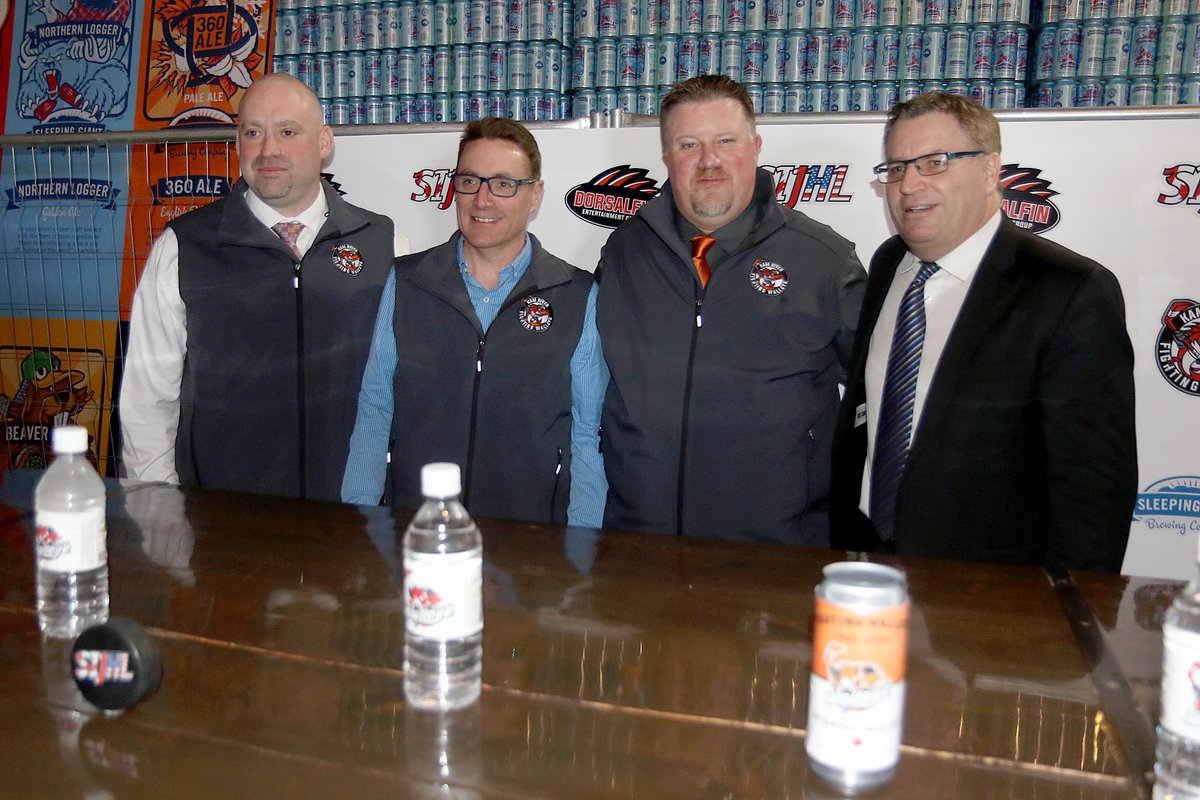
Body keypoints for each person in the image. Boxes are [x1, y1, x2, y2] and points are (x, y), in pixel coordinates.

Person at [831, 92, 1136, 572]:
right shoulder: (889, 262)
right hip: (863, 561)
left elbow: (1095, 491)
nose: (909, 185)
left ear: (991, 169)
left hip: (990, 590)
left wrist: (1072, 617)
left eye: (934, 162)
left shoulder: (1070, 292)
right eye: (895, 167)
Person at [596, 75, 866, 546]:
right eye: (688, 145)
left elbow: (877, 402)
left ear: (756, 146)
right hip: (638, 551)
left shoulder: (824, 261)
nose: (709, 161)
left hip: (773, 557)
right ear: (666, 158)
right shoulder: (624, 252)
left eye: (726, 140)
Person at [120, 73, 408, 502]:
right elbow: (148, 398)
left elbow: (401, 388)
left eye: (288, 131)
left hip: (350, 515)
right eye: (252, 132)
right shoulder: (184, 248)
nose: (268, 149)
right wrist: (157, 506)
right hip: (223, 518)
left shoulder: (385, 244)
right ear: (237, 144)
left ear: (325, 142)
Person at [341, 117, 607, 527]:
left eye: (503, 183)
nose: (483, 200)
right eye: (470, 181)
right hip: (419, 533)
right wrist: (357, 522)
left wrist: (583, 543)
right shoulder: (405, 282)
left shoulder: (577, 295)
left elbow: (588, 436)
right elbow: (375, 407)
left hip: (531, 542)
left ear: (534, 196)